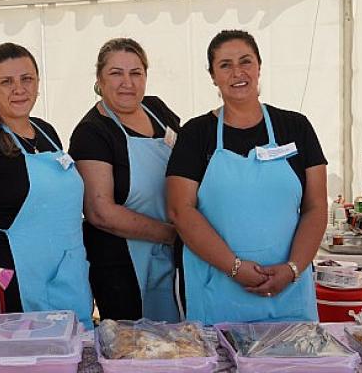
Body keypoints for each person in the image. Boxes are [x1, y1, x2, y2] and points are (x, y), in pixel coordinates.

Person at [166, 29, 327, 324]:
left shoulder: (296, 127)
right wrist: (234, 267)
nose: (237, 72)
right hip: (217, 287)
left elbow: (316, 206)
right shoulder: (196, 133)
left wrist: (292, 269)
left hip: (289, 286)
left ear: (259, 66)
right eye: (225, 65)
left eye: (245, 61)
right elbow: (180, 209)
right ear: (213, 75)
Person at [0, 42, 93, 330]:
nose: (19, 89)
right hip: (14, 285)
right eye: (6, 82)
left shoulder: (46, 132)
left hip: (68, 278)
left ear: (38, 83)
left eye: (27, 79)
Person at [69, 38, 181, 322]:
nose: (127, 83)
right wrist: (172, 235)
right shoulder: (91, 133)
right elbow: (100, 212)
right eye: (116, 73)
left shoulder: (157, 110)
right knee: (134, 345)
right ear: (99, 80)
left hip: (170, 253)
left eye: (136, 73)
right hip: (121, 263)